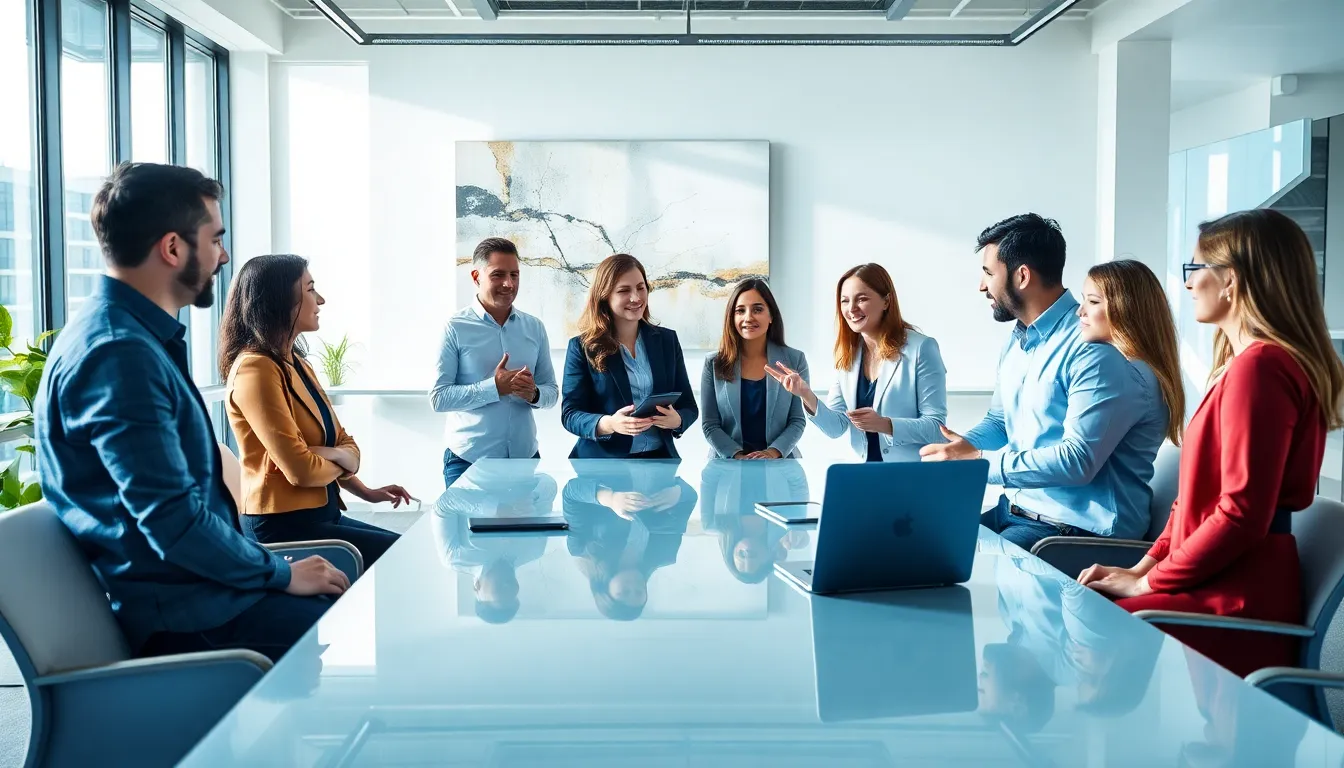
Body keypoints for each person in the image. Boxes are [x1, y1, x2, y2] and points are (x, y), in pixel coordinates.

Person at [35, 162, 348, 663]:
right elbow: (174, 522)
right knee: (351, 625)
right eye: (215, 239)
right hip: (188, 617)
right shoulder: (121, 354)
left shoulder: (130, 339)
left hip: (202, 595)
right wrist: (280, 572)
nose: (224, 256)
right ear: (173, 248)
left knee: (346, 597)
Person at [1080, 208, 1344, 678]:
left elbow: (1241, 513)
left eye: (1195, 268)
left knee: (1098, 626)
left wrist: (1149, 584)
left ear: (1231, 281)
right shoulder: (1242, 367)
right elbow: (1191, 500)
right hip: (1218, 573)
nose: (1187, 283)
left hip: (1237, 591)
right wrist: (1142, 569)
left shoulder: (1260, 369)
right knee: (1092, 613)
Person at [920, 214, 1153, 551]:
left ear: (1022, 276)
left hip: (1070, 529)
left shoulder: (1092, 348)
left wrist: (979, 462)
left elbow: (1077, 461)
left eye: (988, 274)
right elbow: (1000, 421)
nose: (982, 286)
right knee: (921, 541)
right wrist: (958, 451)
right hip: (1016, 510)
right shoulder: (1017, 342)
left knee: (958, 565)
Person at [221, 255, 408, 567]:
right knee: (404, 559)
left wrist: (362, 487)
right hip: (283, 526)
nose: (320, 300)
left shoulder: (297, 363)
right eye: (310, 289)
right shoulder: (256, 369)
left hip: (320, 515)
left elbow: (343, 442)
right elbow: (301, 471)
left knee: (408, 552)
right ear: (280, 300)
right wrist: (340, 458)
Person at [768, 263, 947, 462]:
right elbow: (835, 427)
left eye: (862, 299)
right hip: (866, 471)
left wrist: (885, 424)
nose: (851, 309)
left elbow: (937, 429)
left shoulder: (922, 348)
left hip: (911, 472)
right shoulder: (850, 355)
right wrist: (806, 394)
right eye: (845, 301)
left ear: (886, 301)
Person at [431, 237, 558, 488]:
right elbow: (439, 398)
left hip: (525, 460)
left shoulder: (535, 328)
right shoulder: (455, 328)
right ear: (476, 276)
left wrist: (534, 394)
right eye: (498, 275)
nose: (509, 283)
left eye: (514, 275)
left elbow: (551, 393)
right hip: (468, 462)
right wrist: (494, 388)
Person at [561, 254, 698, 459]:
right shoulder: (582, 347)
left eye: (641, 288)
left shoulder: (667, 341)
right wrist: (609, 424)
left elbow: (689, 406)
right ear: (604, 296)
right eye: (624, 290)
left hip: (659, 460)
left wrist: (677, 420)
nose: (636, 298)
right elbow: (570, 414)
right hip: (603, 464)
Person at [1075, 259, 1185, 454]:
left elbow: (1077, 457)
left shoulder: (1128, 375)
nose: (1080, 311)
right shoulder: (1144, 371)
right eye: (1084, 300)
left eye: (1093, 301)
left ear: (1124, 308)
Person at [432, 461, 556, 624]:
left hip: (467, 464)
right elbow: (548, 484)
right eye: (513, 591)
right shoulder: (534, 550)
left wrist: (495, 508)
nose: (508, 585)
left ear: (477, 587)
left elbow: (443, 504)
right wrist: (531, 498)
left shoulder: (454, 557)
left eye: (500, 589)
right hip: (517, 461)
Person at [701, 278, 809, 459]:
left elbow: (797, 420)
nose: (748, 317)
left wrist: (772, 453)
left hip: (780, 464)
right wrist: (737, 456)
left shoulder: (795, 360)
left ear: (771, 316)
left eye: (757, 310)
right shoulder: (713, 363)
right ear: (732, 317)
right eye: (740, 311)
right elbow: (710, 424)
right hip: (727, 465)